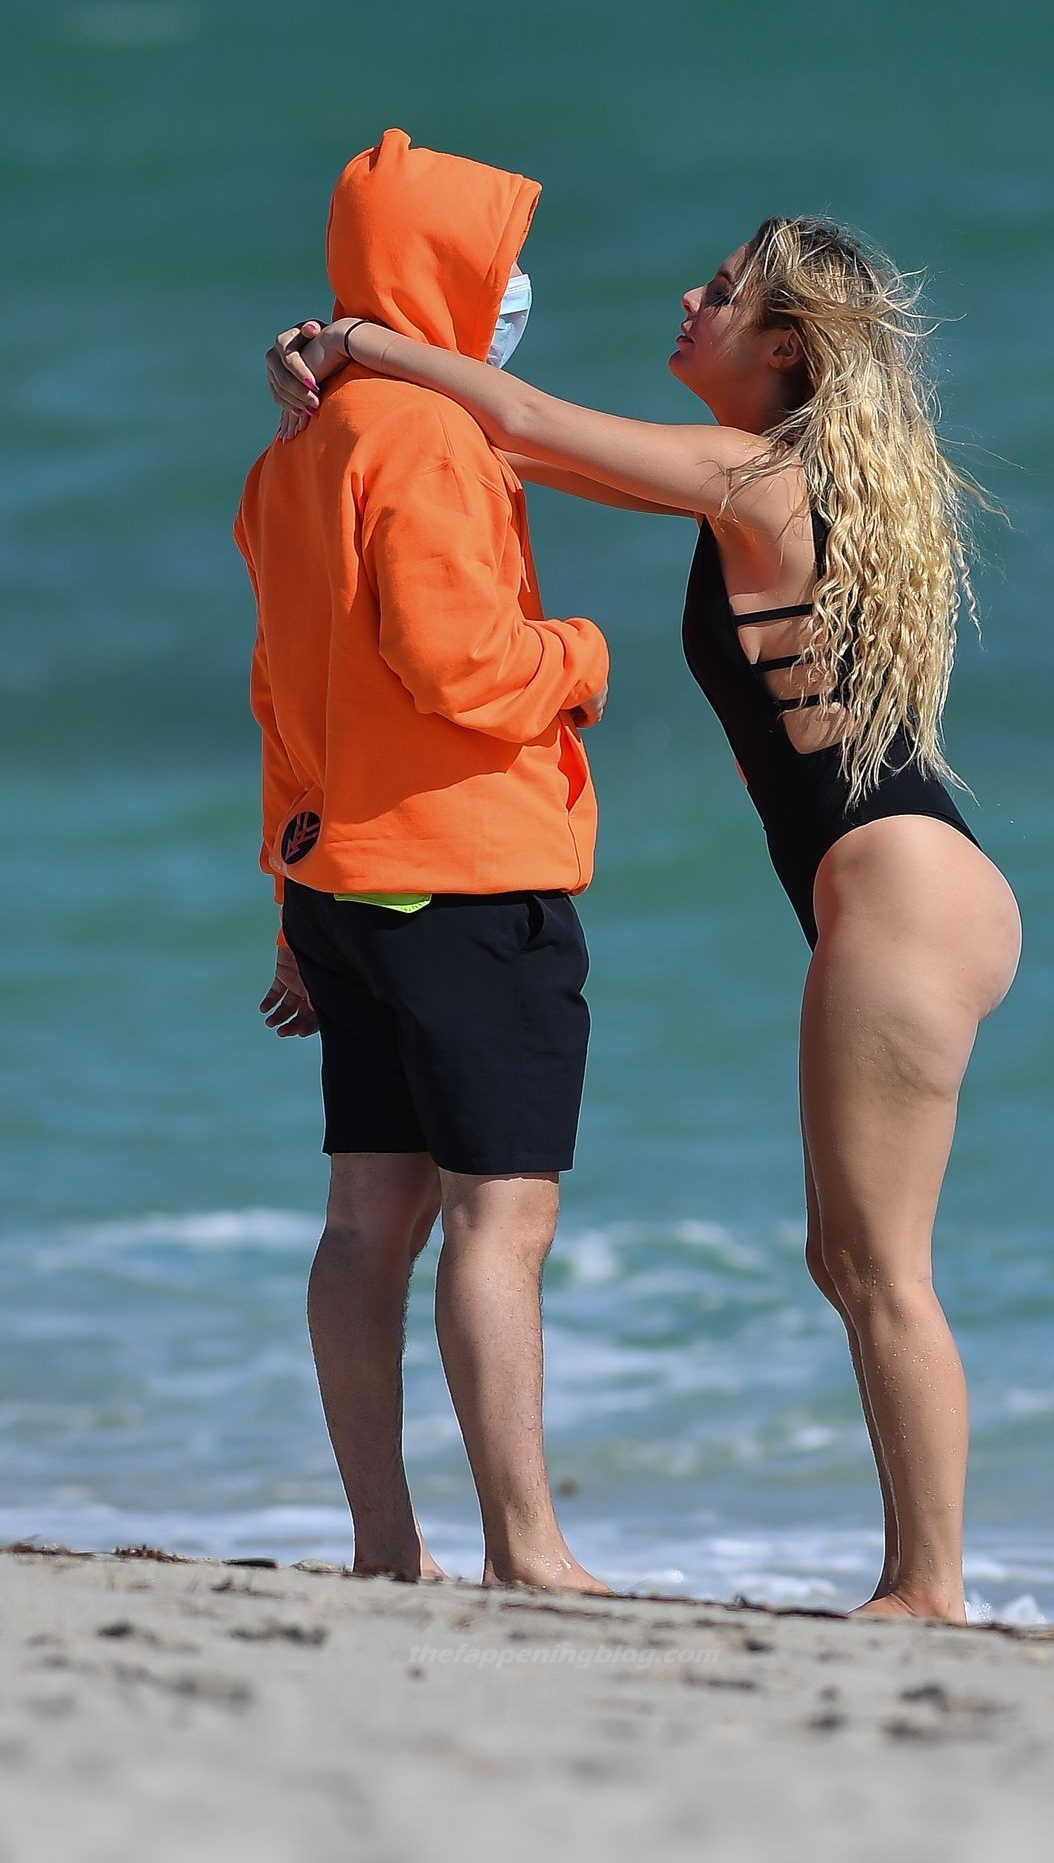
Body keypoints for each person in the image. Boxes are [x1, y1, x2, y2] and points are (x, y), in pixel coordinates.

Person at [268, 193, 1023, 1624]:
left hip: (900, 886)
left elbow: (521, 415)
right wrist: (342, 382)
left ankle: (928, 1590)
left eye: (723, 291)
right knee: (845, 1260)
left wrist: (358, 336)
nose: (690, 298)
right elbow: (499, 441)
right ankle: (913, 1579)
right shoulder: (747, 476)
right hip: (902, 881)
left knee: (878, 1267)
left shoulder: (757, 474)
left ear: (786, 346)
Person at [236, 128, 611, 1594]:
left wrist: (289, 899)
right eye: (502, 266)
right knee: (498, 1219)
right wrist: (581, 658)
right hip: (465, 876)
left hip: (342, 885)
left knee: (363, 1219)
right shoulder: (429, 440)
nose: (516, 293)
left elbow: (282, 698)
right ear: (443, 277)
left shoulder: (297, 447)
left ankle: (385, 1548)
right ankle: (527, 1548)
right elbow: (462, 667)